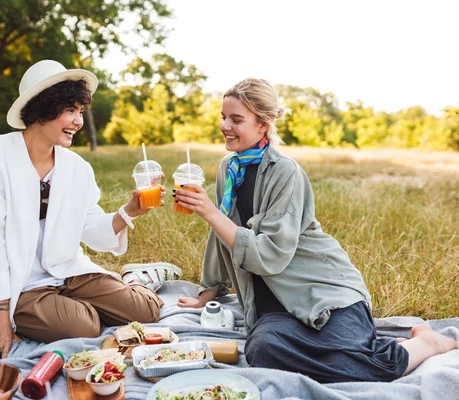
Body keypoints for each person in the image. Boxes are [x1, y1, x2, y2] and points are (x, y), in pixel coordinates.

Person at [174, 78, 458, 383]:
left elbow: (270, 253)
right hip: (276, 309)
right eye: (223, 117)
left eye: (236, 119)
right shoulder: (229, 169)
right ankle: (371, 354)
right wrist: (207, 293)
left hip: (325, 293)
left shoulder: (286, 172)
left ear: (263, 125)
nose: (225, 126)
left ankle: (422, 345)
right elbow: (222, 233)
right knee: (263, 350)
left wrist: (210, 213)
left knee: (356, 360)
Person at [0, 60, 181, 358]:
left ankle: (132, 279)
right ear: (42, 109)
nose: (78, 121)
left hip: (69, 271)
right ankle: (101, 299)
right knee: (85, 325)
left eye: (80, 111)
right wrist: (1, 314)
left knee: (147, 310)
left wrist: (128, 211)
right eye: (70, 111)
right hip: (21, 283)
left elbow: (90, 226)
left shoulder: (77, 168)